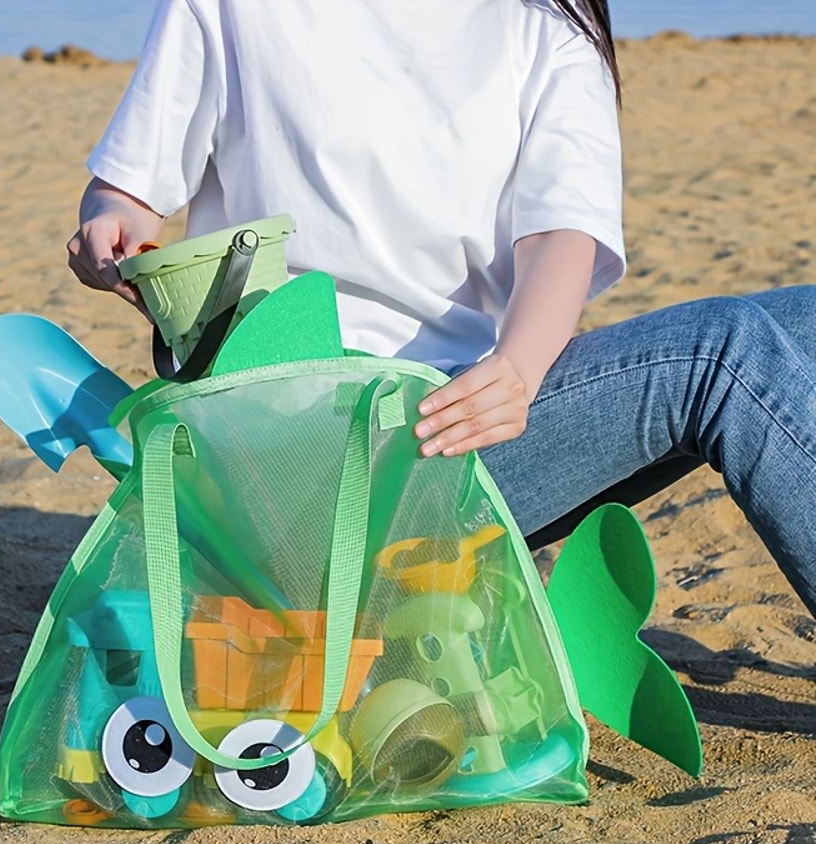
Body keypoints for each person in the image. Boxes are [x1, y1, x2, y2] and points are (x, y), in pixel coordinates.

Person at [67, 0, 816, 617]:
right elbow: (127, 189)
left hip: (459, 423)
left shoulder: (551, 24)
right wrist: (110, 224)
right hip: (304, 456)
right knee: (720, 353)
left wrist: (518, 371)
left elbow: (562, 234)